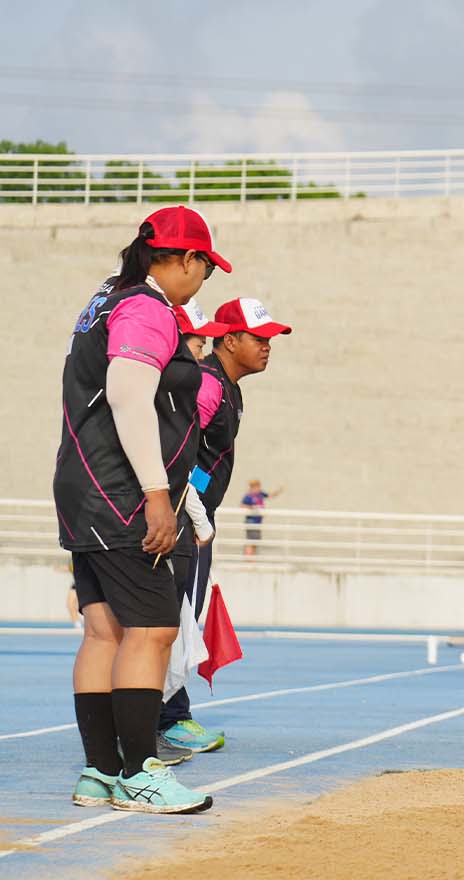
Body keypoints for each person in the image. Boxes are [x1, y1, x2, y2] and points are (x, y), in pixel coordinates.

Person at [57, 205, 229, 815]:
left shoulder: (106, 298)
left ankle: (100, 773)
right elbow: (131, 399)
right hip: (122, 493)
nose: (203, 282)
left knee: (103, 630)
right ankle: (140, 773)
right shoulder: (145, 308)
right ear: (185, 260)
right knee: (152, 631)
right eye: (205, 270)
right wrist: (158, 495)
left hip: (84, 487)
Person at [158, 296, 291, 757]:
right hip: (180, 517)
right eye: (260, 338)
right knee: (171, 621)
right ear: (229, 340)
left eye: (271, 338)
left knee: (185, 618)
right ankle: (167, 718)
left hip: (196, 516)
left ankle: (167, 713)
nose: (268, 346)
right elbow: (176, 453)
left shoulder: (231, 387)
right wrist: (191, 512)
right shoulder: (209, 385)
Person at [152, 301, 233, 763]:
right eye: (197, 341)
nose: (203, 351)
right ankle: (154, 726)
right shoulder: (192, 390)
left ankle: (159, 722)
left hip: (182, 519)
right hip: (164, 524)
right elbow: (174, 463)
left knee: (173, 627)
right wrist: (197, 516)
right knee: (156, 630)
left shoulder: (195, 388)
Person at [241, 479, 283, 557]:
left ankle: (252, 558)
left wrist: (278, 491)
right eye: (256, 487)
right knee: (250, 541)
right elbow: (242, 505)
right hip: (251, 522)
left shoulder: (260, 494)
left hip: (258, 522)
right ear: (252, 487)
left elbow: (270, 495)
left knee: (255, 541)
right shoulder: (248, 496)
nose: (258, 489)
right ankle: (249, 559)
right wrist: (252, 507)